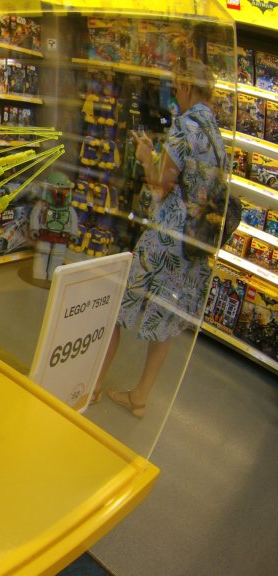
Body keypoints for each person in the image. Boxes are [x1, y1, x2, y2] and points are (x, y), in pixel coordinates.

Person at [94, 54, 228, 418]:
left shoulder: (186, 126)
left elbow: (160, 182)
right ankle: (139, 397)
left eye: (176, 86)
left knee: (118, 305)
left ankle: (92, 386)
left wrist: (145, 156)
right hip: (194, 244)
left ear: (186, 86)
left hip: (168, 237)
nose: (175, 94)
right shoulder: (216, 135)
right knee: (166, 318)